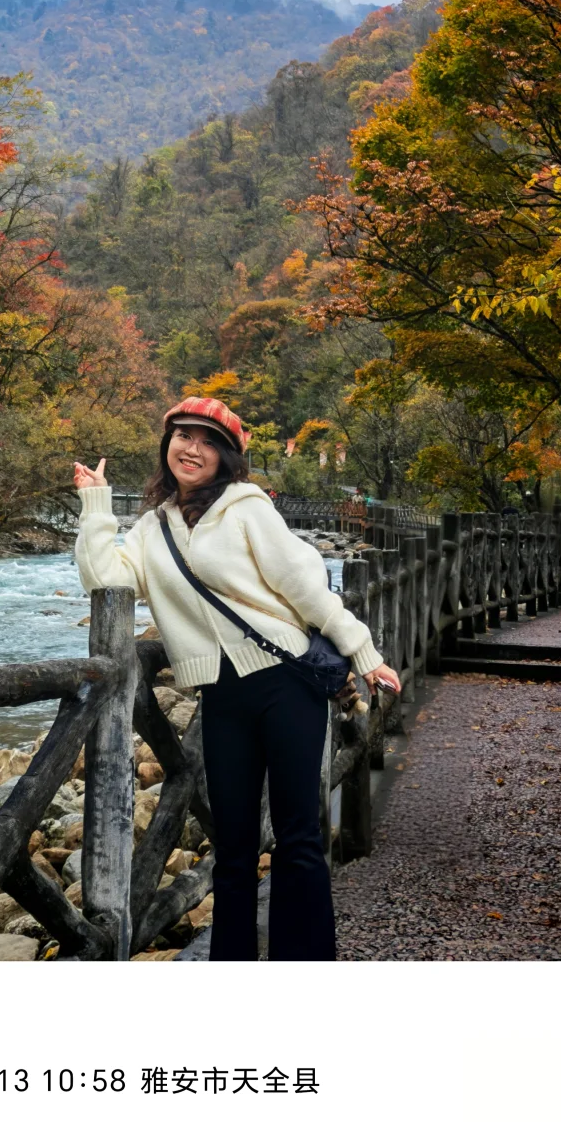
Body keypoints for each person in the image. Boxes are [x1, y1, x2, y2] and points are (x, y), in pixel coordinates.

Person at [73, 395, 400, 962]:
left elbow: (303, 587)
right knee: (234, 847)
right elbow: (106, 579)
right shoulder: (152, 528)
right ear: (167, 445)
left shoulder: (248, 507)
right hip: (222, 696)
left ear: (227, 457)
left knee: (298, 837)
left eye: (206, 440)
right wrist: (96, 505)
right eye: (182, 436)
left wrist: (362, 650)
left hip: (285, 683)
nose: (191, 448)